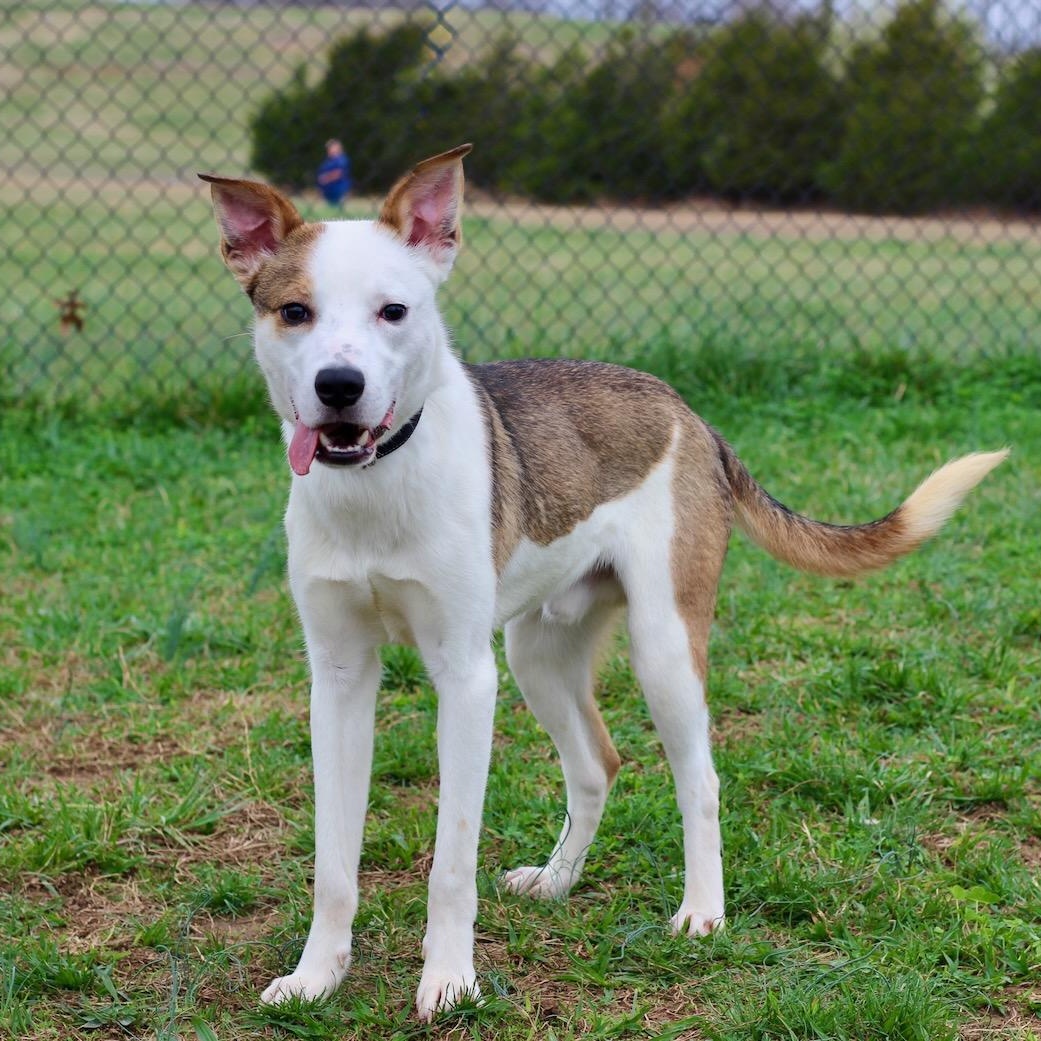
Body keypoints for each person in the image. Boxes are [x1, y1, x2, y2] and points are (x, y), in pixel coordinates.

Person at [316, 139, 351, 207]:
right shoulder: (328, 161)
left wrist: (324, 179)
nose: (329, 150)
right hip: (327, 193)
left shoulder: (341, 159)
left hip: (338, 192)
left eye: (331, 147)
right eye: (328, 148)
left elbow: (338, 173)